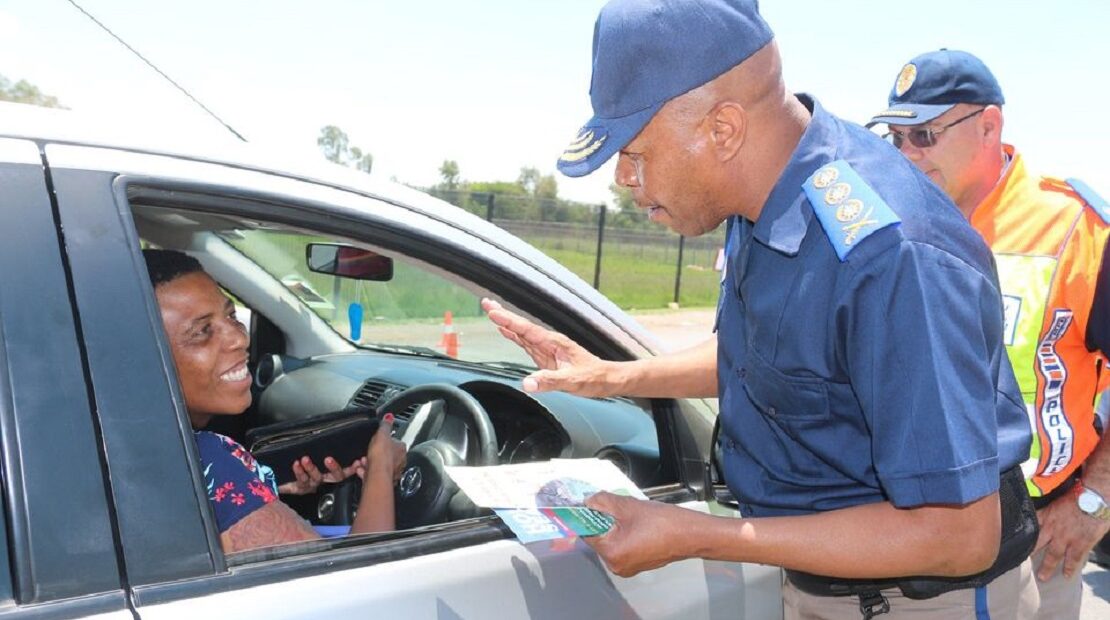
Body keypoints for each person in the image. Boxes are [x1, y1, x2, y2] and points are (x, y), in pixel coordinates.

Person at [483, 1, 1038, 617]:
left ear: (723, 130)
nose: (623, 179)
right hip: (822, 579)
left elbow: (958, 534)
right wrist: (609, 376)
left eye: (636, 153)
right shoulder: (759, 197)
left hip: (928, 600)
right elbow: (761, 356)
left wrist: (695, 536)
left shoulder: (891, 254)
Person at [867, 49, 1110, 619]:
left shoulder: (1076, 232)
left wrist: (1094, 500)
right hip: (897, 541)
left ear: (989, 125)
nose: (906, 155)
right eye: (895, 138)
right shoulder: (883, 221)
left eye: (923, 134)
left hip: (1033, 548)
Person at [143, 248, 406, 553]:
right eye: (202, 332)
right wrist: (381, 470)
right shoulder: (206, 460)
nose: (239, 338)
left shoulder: (138, 454)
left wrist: (267, 486)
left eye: (231, 315)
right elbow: (358, 585)